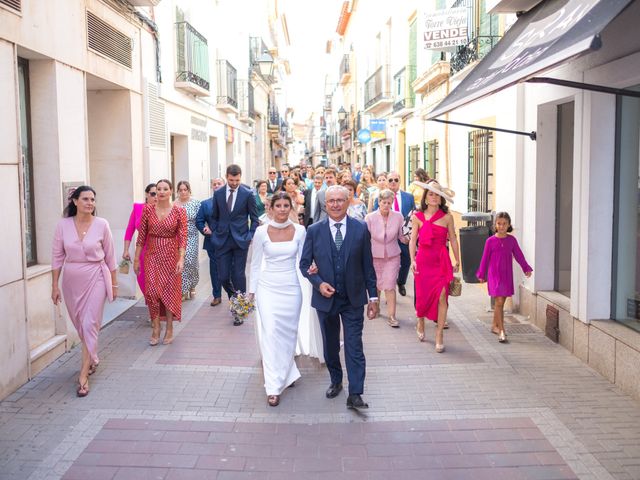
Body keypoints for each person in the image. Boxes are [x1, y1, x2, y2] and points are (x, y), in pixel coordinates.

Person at [300, 185, 379, 410]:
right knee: (331, 345)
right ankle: (336, 380)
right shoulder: (314, 230)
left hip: (353, 297)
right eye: (331, 200)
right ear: (325, 204)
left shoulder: (360, 228)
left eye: (339, 200)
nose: (335, 204)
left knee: (354, 345)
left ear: (348, 202)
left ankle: (355, 392)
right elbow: (304, 264)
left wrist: (373, 297)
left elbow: (368, 266)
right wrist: (318, 283)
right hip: (325, 299)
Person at [51, 186, 117, 397]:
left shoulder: (102, 224)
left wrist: (113, 285)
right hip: (71, 280)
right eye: (85, 199)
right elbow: (56, 257)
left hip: (96, 276)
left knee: (90, 323)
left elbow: (110, 256)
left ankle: (83, 375)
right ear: (75, 201)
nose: (90, 203)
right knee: (80, 323)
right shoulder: (63, 226)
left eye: (92, 200)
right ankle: (92, 359)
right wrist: (54, 285)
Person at [249, 193, 307, 406]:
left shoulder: (300, 231)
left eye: (286, 205)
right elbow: (255, 263)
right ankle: (273, 386)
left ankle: (287, 371)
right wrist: (251, 291)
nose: (282, 209)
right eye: (278, 206)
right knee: (271, 332)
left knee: (289, 334)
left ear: (290, 207)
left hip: (291, 287)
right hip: (267, 288)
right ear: (271, 208)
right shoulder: (261, 231)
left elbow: (304, 261)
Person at [134, 179, 187, 346]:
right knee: (152, 292)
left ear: (171, 191)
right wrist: (136, 258)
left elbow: (183, 238)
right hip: (152, 255)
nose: (162, 192)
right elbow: (141, 236)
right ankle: (155, 328)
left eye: (165, 189)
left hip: (171, 255)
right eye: (159, 189)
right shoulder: (148, 210)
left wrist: (181, 258)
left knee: (170, 293)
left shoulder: (179, 212)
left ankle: (169, 328)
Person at [409, 181, 460, 353]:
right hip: (423, 261)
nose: (433, 197)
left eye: (437, 194)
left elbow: (453, 238)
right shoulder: (417, 216)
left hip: (441, 260)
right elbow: (412, 239)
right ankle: (421, 320)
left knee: (442, 296)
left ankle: (439, 334)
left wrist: (457, 260)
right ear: (425, 197)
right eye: (430, 194)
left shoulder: (447, 217)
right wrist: (412, 260)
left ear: (441, 199)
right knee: (423, 297)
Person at [209, 164, 259, 324]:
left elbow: (255, 218)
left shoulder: (247, 194)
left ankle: (240, 311)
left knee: (238, 275)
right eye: (231, 180)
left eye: (237, 180)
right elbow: (214, 216)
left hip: (240, 240)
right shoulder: (218, 194)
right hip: (222, 240)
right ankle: (235, 298)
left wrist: (250, 236)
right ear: (226, 177)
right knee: (223, 276)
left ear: (240, 177)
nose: (234, 183)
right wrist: (216, 231)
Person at [477, 212, 533, 343]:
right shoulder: (490, 241)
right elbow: (484, 259)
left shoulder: (511, 240)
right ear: (495, 225)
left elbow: (519, 255)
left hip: (506, 275)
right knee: (499, 302)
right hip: (494, 275)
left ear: (508, 225)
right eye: (499, 224)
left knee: (500, 303)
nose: (501, 226)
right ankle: (502, 331)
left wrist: (526, 268)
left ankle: (494, 326)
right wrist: (481, 274)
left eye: (504, 224)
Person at [365, 189, 407, 328]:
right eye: (384, 202)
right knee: (376, 284)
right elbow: (365, 238)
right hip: (374, 255)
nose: (386, 205)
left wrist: (408, 239)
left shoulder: (398, 216)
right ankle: (376, 308)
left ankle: (392, 316)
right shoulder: (370, 217)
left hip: (393, 255)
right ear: (378, 202)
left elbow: (401, 236)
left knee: (389, 285)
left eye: (389, 203)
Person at [376, 172, 415, 297]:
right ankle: (388, 289)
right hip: (387, 236)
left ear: (400, 181)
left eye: (396, 180)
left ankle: (401, 282)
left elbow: (413, 216)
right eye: (391, 180)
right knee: (388, 263)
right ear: (387, 181)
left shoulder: (409, 197)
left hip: (404, 235)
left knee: (406, 260)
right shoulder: (381, 196)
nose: (393, 182)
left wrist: (411, 234)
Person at [122, 183, 157, 295]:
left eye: (158, 194)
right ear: (147, 194)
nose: (156, 196)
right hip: (142, 252)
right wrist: (126, 249)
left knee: (157, 283)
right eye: (153, 194)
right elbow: (129, 229)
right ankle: (152, 307)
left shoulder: (163, 210)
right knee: (143, 281)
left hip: (159, 250)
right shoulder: (138, 208)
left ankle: (158, 309)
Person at [196, 180, 224, 307]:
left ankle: (234, 295)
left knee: (230, 268)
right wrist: (204, 229)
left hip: (229, 240)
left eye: (219, 183)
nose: (217, 185)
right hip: (212, 241)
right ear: (211, 187)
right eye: (214, 184)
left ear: (224, 185)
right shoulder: (205, 204)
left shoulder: (230, 202)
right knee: (214, 269)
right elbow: (199, 221)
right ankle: (217, 296)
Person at [174, 181, 201, 301]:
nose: (183, 192)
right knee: (181, 262)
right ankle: (183, 290)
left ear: (189, 190)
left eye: (185, 189)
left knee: (190, 261)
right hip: (178, 237)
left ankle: (192, 284)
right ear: (177, 191)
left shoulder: (196, 203)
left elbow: (201, 218)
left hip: (192, 236)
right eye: (181, 190)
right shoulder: (174, 204)